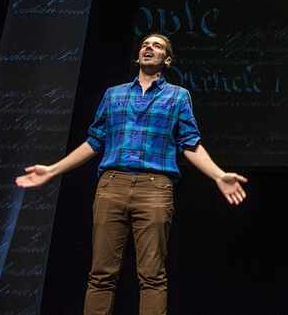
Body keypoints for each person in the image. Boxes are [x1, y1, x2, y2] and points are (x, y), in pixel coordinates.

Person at [16, 33, 248, 315]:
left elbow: (190, 143)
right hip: (111, 186)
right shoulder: (114, 95)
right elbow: (94, 141)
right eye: (145, 44)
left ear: (168, 59)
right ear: (139, 55)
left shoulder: (178, 96)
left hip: (155, 188)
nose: (149, 47)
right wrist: (53, 169)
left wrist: (218, 175)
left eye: (158, 46)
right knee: (101, 274)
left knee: (152, 275)